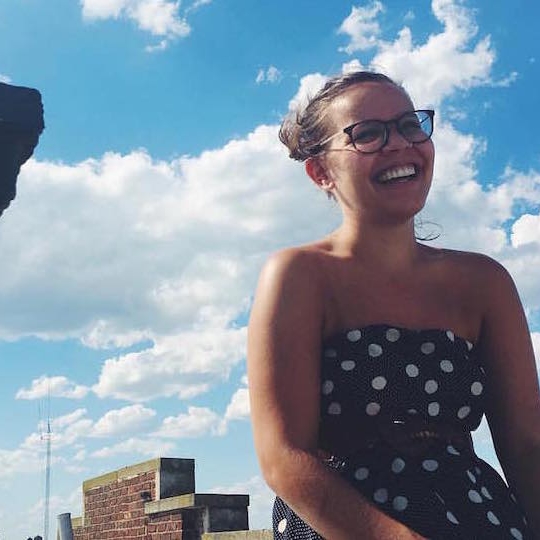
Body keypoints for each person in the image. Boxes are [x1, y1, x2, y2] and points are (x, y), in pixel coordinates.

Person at [247, 71, 539, 539]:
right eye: (367, 134)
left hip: (478, 517)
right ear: (320, 172)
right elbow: (284, 458)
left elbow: (527, 446)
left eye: (409, 125)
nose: (400, 143)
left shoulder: (485, 282)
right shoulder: (298, 275)